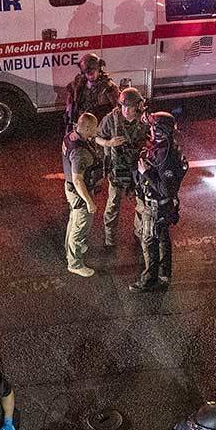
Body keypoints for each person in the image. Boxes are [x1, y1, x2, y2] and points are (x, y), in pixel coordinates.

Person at [130, 111, 189, 293]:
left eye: (153, 127)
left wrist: (144, 172)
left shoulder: (165, 156)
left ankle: (149, 280)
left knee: (149, 242)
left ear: (160, 130)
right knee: (163, 239)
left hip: (156, 206)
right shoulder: (167, 148)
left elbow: (166, 189)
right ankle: (164, 276)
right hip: (163, 206)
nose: (151, 130)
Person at [95, 87, 151, 248]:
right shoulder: (111, 119)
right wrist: (108, 143)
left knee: (142, 206)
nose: (126, 110)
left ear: (138, 106)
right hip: (117, 170)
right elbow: (97, 137)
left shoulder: (144, 120)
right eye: (123, 106)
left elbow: (153, 139)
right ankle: (109, 238)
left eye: (130, 106)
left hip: (137, 172)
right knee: (113, 206)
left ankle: (139, 234)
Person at [63, 112, 104, 278]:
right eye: (94, 128)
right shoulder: (80, 153)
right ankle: (75, 263)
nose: (97, 130)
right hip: (80, 192)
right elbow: (78, 179)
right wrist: (89, 202)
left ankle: (70, 249)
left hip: (71, 189)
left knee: (74, 221)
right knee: (80, 227)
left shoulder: (70, 137)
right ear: (86, 128)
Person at [64, 53, 118, 132]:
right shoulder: (77, 85)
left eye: (92, 73)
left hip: (101, 126)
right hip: (83, 124)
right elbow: (70, 106)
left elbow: (116, 108)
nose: (90, 76)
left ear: (98, 69)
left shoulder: (108, 87)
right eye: (87, 73)